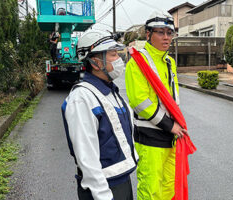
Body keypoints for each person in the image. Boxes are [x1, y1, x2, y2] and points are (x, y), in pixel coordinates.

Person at [61, 30, 138, 200]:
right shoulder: (81, 99)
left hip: (122, 181)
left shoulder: (110, 91)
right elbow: (87, 159)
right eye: (112, 54)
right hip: (102, 190)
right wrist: (103, 196)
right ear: (96, 63)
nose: (119, 59)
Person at [125, 11, 187, 200]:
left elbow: (172, 100)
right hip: (150, 136)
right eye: (161, 32)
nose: (166, 37)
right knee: (150, 190)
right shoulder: (137, 61)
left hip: (171, 136)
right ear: (148, 34)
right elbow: (140, 102)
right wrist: (170, 125)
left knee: (169, 188)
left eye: (170, 32)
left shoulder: (169, 61)